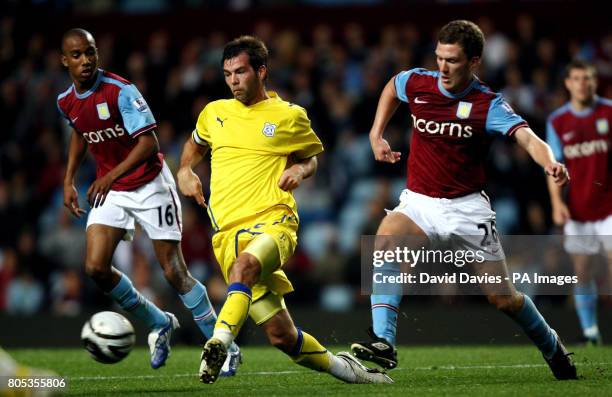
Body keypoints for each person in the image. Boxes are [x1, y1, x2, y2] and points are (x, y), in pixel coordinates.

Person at [349, 20, 577, 380]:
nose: (442, 67)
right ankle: (384, 342)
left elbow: (528, 138)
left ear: (473, 62)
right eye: (439, 57)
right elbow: (393, 87)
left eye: (452, 60)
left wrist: (550, 162)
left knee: (503, 298)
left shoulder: (487, 103)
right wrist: (376, 134)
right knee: (386, 243)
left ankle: (551, 344)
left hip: (466, 209)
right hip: (421, 201)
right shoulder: (418, 82)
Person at [177, 35, 392, 385]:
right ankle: (351, 372)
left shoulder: (289, 116)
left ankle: (218, 343)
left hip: (273, 223)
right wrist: (184, 170)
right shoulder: (213, 113)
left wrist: (299, 170)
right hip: (227, 235)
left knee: (244, 266)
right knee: (282, 337)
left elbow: (311, 159)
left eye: (241, 72)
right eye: (228, 73)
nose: (233, 80)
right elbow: (193, 145)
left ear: (261, 71)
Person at [56, 28, 240, 374]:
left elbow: (149, 143)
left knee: (174, 271)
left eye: (91, 52)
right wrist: (68, 180)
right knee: (95, 268)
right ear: (64, 60)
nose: (86, 61)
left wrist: (108, 175)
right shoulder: (66, 100)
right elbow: (80, 133)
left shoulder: (120, 91)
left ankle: (224, 345)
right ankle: (160, 322)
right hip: (112, 189)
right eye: (77, 55)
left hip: (149, 183)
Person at [546, 59, 612, 346]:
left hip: (609, 207)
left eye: (587, 78)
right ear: (568, 83)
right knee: (583, 270)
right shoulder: (558, 121)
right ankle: (590, 332)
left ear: (594, 82)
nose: (582, 83)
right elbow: (552, 166)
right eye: (577, 78)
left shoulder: (609, 113)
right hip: (578, 210)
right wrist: (556, 204)